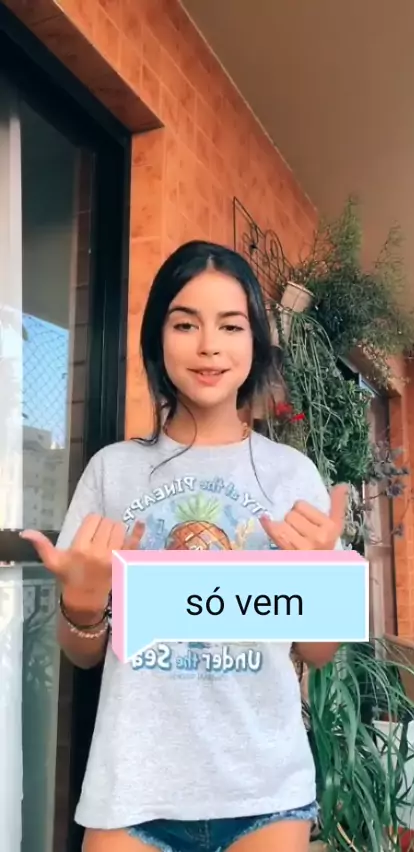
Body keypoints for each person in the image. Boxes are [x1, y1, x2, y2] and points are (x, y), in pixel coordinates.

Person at [21, 240, 348, 852]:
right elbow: (83, 653)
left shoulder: (292, 475)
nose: (209, 346)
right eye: (185, 323)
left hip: (265, 792)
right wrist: (83, 606)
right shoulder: (113, 471)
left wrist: (318, 575)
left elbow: (318, 652)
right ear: (157, 339)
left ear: (256, 342)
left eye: (231, 325)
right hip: (131, 790)